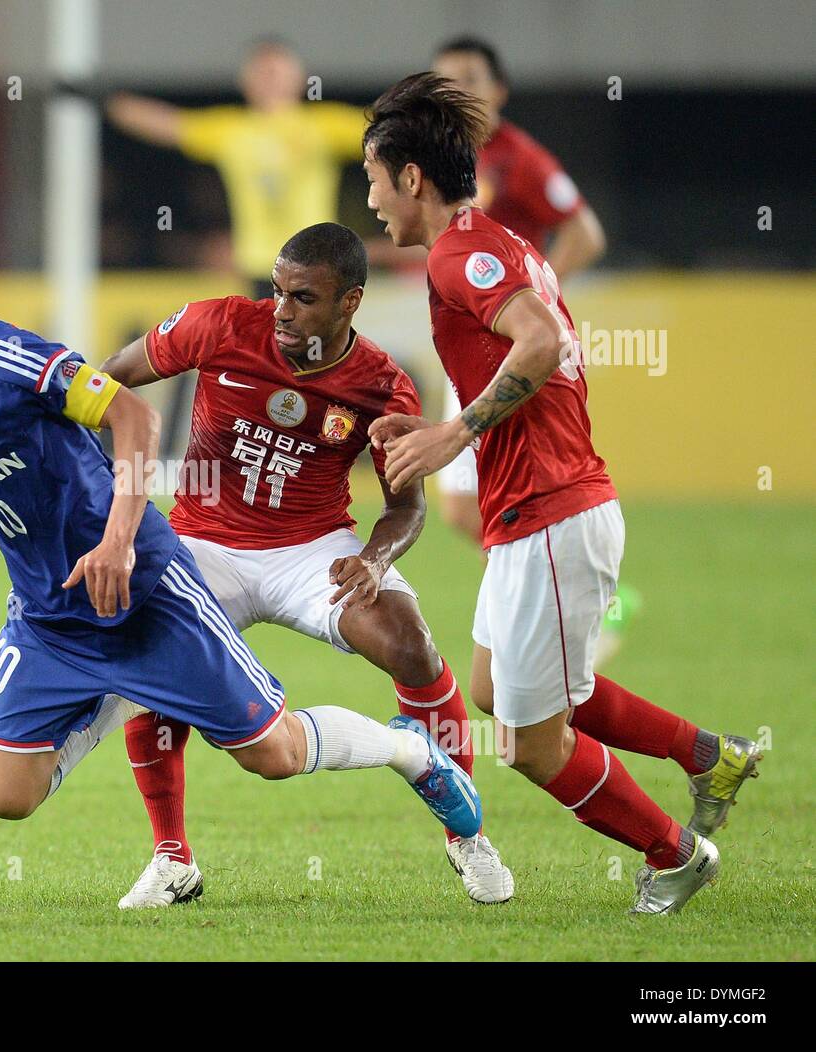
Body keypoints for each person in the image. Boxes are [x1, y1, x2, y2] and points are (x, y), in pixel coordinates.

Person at [0, 179, 481, 896]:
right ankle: (162, 830)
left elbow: (132, 415)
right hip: (48, 611)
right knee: (6, 795)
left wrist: (116, 535)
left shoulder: (7, 359)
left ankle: (404, 748)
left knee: (275, 754)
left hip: (151, 580)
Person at [361, 75, 761, 913]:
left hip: (552, 513)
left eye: (372, 176)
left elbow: (539, 342)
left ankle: (676, 853)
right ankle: (707, 756)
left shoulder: (457, 252)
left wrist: (452, 434)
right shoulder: (497, 242)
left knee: (529, 743)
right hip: (538, 513)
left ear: (411, 178)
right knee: (497, 689)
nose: (369, 199)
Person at [101, 222, 513, 909]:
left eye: (303, 298)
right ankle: (172, 858)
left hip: (312, 550)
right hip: (204, 543)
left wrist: (376, 561)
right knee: (152, 669)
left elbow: (405, 508)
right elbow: (108, 381)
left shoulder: (383, 386)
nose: (283, 311)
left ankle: (464, 835)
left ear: (350, 302)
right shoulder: (220, 325)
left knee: (411, 646)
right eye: (277, 291)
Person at [425, 41, 633, 661]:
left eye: (468, 81)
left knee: (489, 500)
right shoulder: (447, 159)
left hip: (511, 344)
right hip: (469, 344)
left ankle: (578, 602)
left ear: (499, 90)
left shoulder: (516, 158)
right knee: (463, 508)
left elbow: (587, 233)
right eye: (444, 83)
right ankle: (559, 598)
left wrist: (534, 285)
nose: (456, 95)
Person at [106, 37, 364, 298]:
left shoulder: (323, 127)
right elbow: (168, 125)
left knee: (315, 336)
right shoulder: (233, 130)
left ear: (298, 78)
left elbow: (382, 127)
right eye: (261, 73)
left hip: (315, 263)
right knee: (268, 337)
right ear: (245, 81)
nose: (269, 80)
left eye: (275, 72)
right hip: (262, 268)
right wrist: (108, 99)